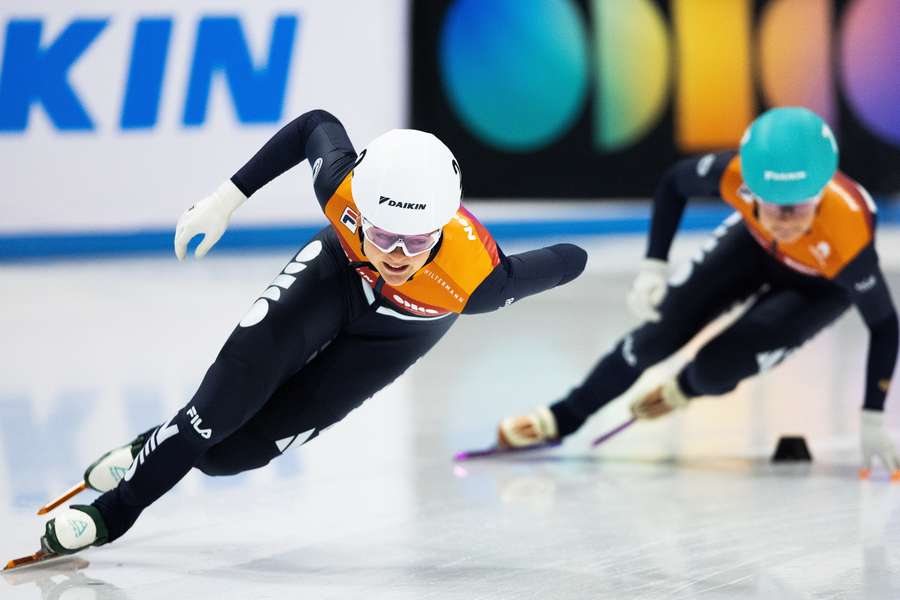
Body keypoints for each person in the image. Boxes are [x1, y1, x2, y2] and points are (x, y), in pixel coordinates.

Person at [36, 110, 587, 556]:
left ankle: (153, 444)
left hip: (400, 331)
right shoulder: (341, 188)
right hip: (334, 275)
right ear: (360, 213)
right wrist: (225, 201)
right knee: (220, 406)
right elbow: (312, 125)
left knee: (233, 455)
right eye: (382, 234)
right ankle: (113, 511)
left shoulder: (478, 282)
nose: (395, 257)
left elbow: (572, 258)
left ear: (442, 227)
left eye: (415, 243)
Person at [497, 107, 899, 479]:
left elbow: (884, 324)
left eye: (801, 207)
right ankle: (562, 417)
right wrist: (654, 264)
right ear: (753, 190)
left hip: (820, 286)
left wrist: (872, 417)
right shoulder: (735, 174)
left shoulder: (848, 232)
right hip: (752, 248)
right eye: (775, 207)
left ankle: (684, 388)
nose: (788, 222)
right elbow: (674, 183)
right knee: (654, 337)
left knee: (715, 369)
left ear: (821, 193)